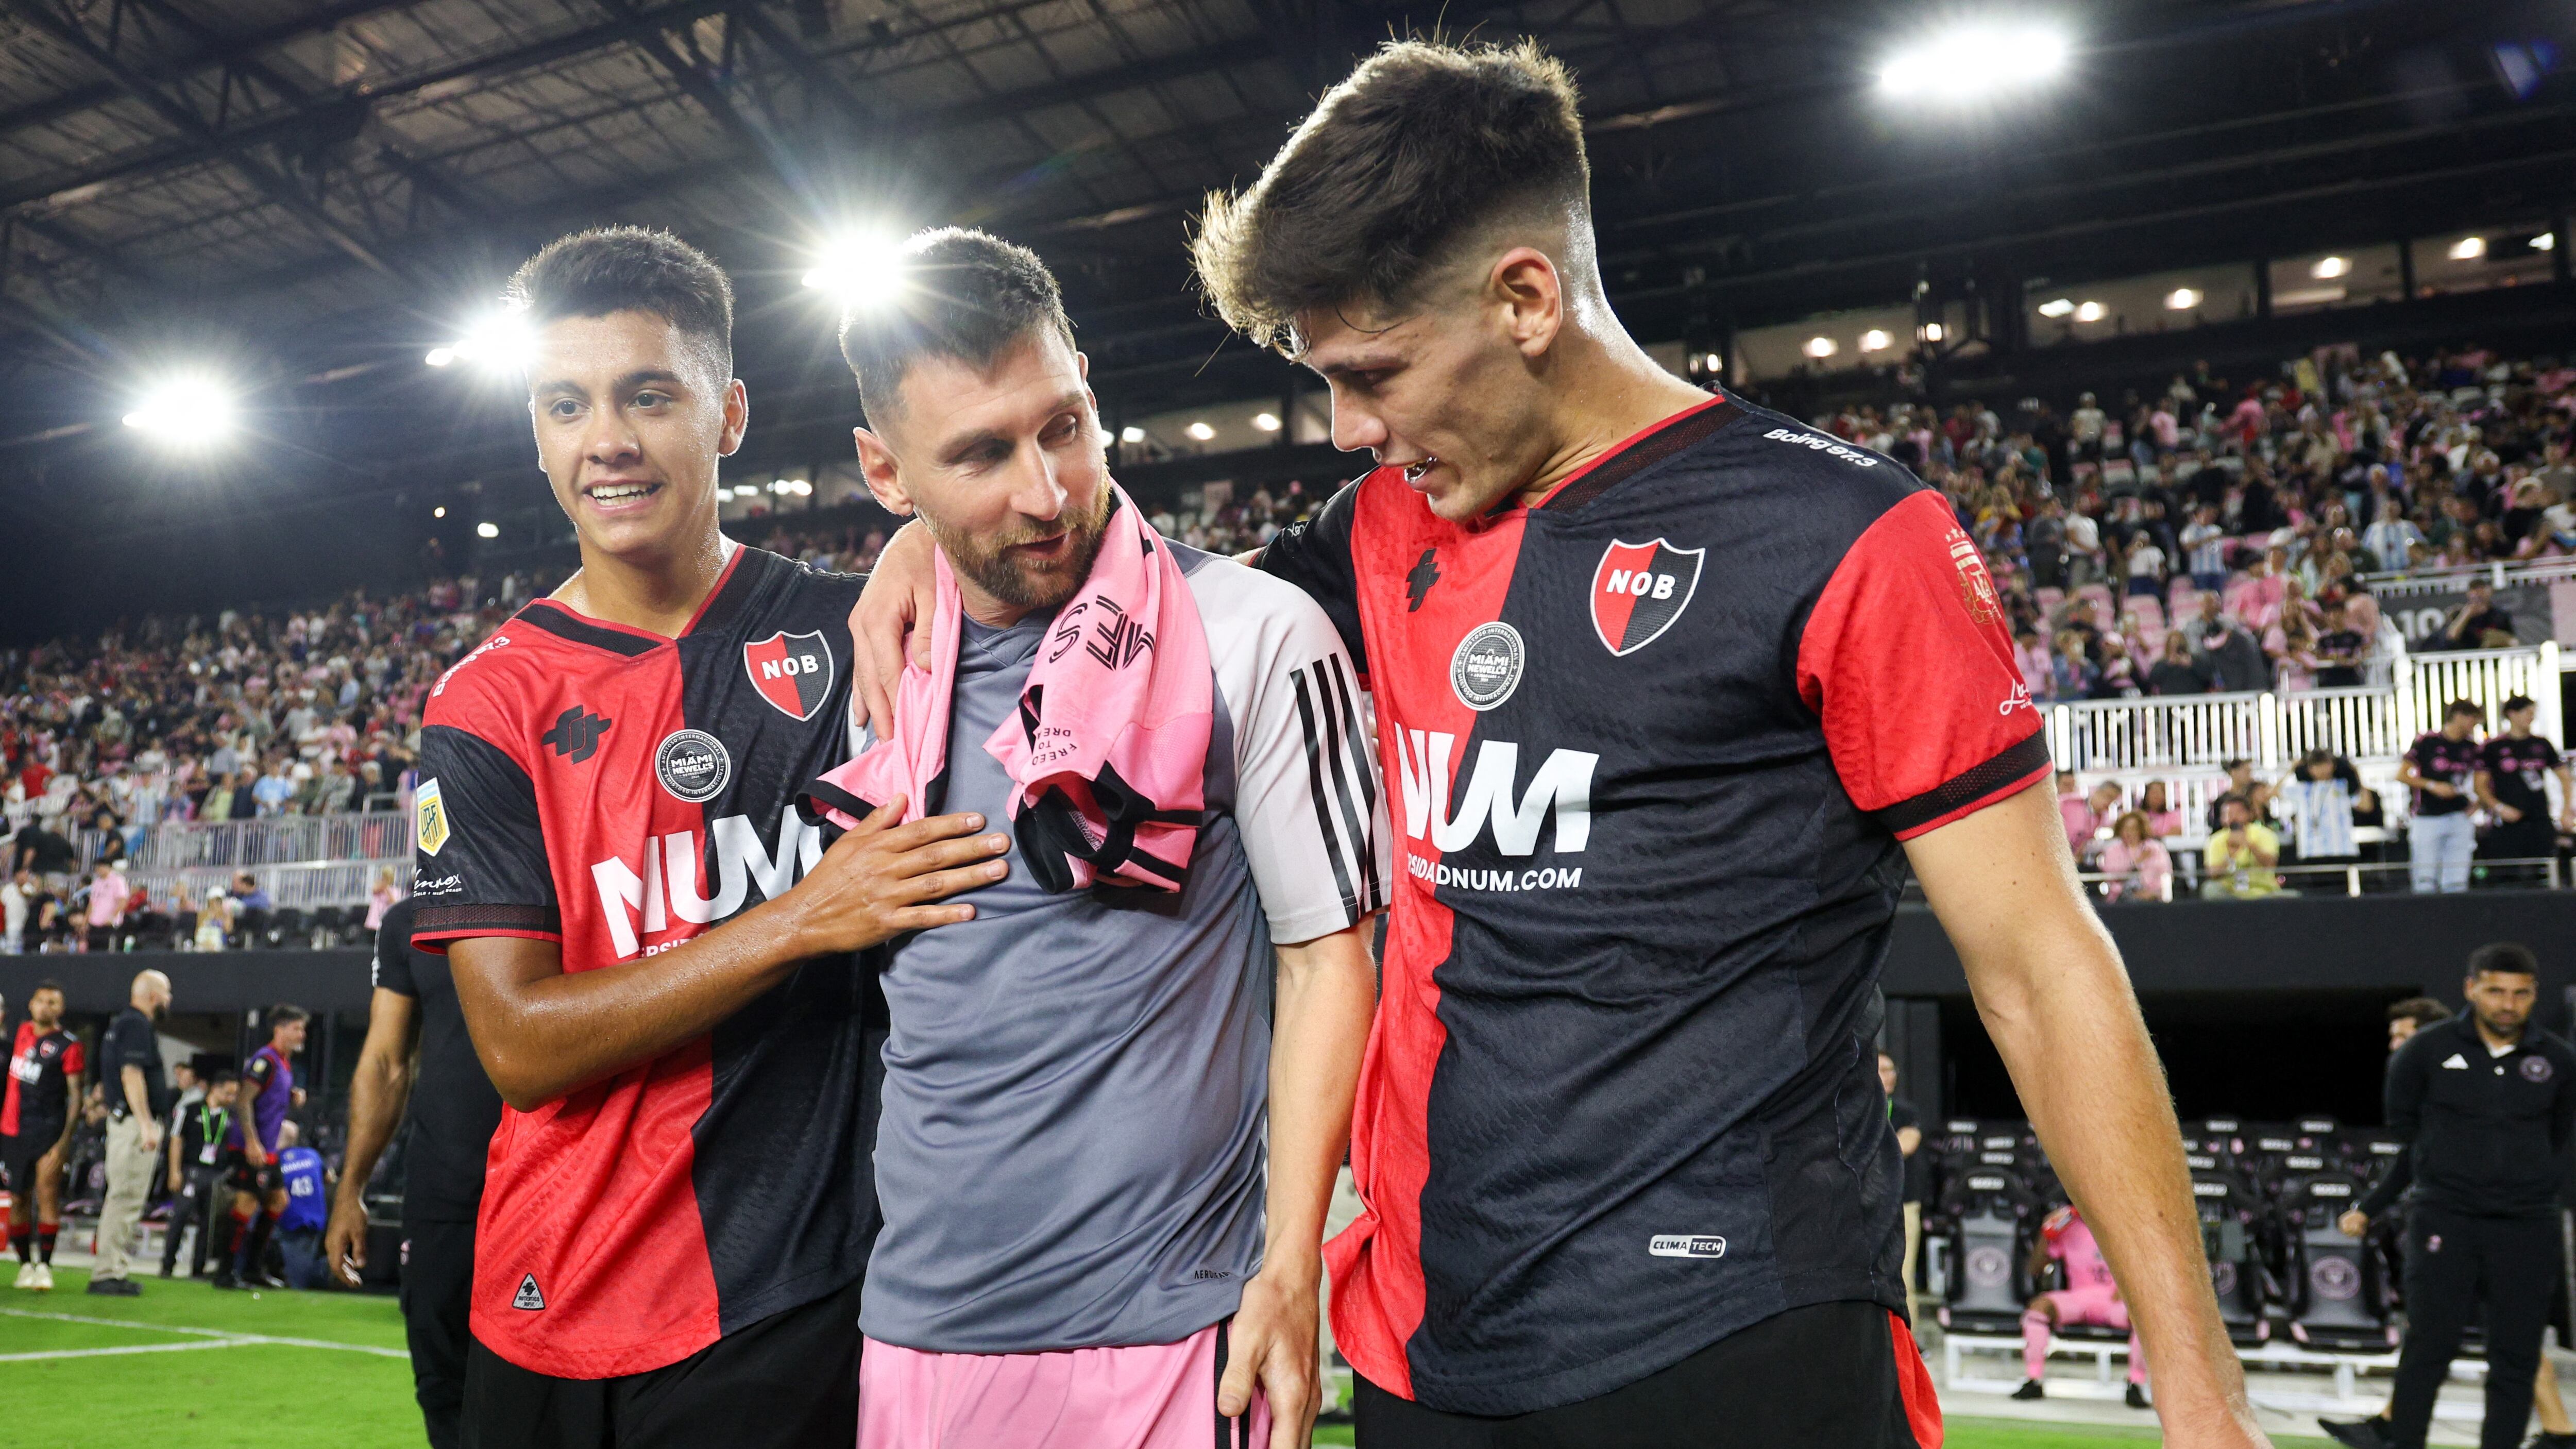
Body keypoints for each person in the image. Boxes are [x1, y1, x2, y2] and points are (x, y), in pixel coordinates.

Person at [859, 38, 2263, 1447]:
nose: (1347, 430)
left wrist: (2201, 1401)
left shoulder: (1847, 542)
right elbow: (1140, 589)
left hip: (1730, 1330)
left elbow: (2037, 969)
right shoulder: (1378, 531)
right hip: (1426, 1344)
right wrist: (919, 540)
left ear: (1525, 295)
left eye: (1375, 372)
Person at [416, 226, 1001, 1449]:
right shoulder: (489, 700)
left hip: (786, 1295)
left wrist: (926, 533)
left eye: (647, 394)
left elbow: (1060, 547)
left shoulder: (855, 635)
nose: (606, 439)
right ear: (537, 434)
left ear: (727, 414)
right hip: (543, 1302)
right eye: (565, 404)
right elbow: (520, 1043)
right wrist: (800, 917)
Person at [820, 228, 1383, 1449]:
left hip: (1181, 1336)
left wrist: (1291, 1266)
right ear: (885, 470)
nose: (1047, 489)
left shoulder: (1253, 637)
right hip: (922, 1338)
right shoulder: (873, 674)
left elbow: (1328, 959)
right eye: (978, 453)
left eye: (1063, 425)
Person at [2324, 944, 2576, 1449]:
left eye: (2520, 993)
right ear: (2470, 988)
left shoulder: (2557, 1060)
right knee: (2427, 1347)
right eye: (2495, 990)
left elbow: (2558, 1135)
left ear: (2533, 995)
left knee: (2516, 1355)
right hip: (2446, 1218)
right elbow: (2406, 1133)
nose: (2507, 1004)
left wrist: (2516, 1177)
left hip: (2526, 1225)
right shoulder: (2425, 1051)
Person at [326, 896, 505, 1449]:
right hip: (441, 1186)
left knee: (548, 1389)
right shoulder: (410, 920)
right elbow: (385, 1061)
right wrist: (350, 1189)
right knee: (441, 1383)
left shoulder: (561, 883)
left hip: (548, 1180)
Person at [2013, 1204, 2150, 1409]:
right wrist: (2046, 1233)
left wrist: (2130, 1286)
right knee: (2039, 1307)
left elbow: (2149, 1265)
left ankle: (2136, 1383)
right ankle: (2033, 1379)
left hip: (2115, 1300)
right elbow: (2035, 1269)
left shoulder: (2128, 1224)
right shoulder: (2068, 1225)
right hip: (2079, 1298)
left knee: (2145, 1316)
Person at [90, 968, 172, 1295]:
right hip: (133, 1124)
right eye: (166, 993)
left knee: (123, 1197)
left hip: (125, 1121)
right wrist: (146, 1123)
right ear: (153, 996)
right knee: (125, 1198)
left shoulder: (122, 1023)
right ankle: (108, 1272)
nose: (169, 1000)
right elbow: (132, 1075)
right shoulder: (137, 1024)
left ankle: (111, 1268)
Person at [212, 1003, 306, 1290]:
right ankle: (225, 1273)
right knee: (247, 1202)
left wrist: (289, 1096)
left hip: (269, 1149)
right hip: (250, 1147)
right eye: (297, 1028)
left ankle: (253, 1268)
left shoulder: (284, 1064)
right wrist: (252, 1141)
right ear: (280, 1030)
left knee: (278, 1201)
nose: (302, 1034)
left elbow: (266, 1099)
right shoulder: (265, 1060)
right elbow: (243, 1100)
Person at [3, 979, 82, 1290]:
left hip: (47, 1132)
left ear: (61, 1008)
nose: (45, 1007)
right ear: (30, 1004)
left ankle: (45, 1267)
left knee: (47, 1195)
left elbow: (75, 1097)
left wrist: (64, 1144)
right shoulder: (20, 1034)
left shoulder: (69, 1045)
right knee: (18, 1198)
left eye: (53, 1002)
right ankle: (24, 1266)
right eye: (40, 1000)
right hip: (12, 1131)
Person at [2475, 694, 2571, 871]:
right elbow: (2480, 785)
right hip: (2506, 822)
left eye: (2533, 713)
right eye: (2527, 712)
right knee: (2508, 872)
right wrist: (2500, 808)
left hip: (2539, 818)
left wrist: (2566, 811)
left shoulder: (2541, 744)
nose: (2531, 717)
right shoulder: (2493, 747)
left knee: (2544, 869)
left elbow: (2564, 777)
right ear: (2512, 714)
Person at [160, 1068, 240, 1280]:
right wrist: (175, 1171)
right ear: (216, 1089)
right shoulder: (191, 1110)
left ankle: (198, 1268)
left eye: (234, 1095)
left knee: (209, 1222)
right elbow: (176, 1140)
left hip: (217, 1174)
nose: (232, 1099)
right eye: (228, 1094)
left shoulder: (231, 1117)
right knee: (180, 1217)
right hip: (191, 1171)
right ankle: (167, 1266)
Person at [2397, 700, 2483, 894]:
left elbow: (2482, 781)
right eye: (2473, 721)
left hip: (2460, 816)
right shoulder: (2427, 741)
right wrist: (2432, 785)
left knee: (2457, 880)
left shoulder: (2472, 748)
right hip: (2427, 817)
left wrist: (2477, 804)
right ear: (2459, 717)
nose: (2474, 726)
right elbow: (2402, 775)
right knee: (2425, 878)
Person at [1879, 1051, 1927, 1323]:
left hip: (1902, 1203)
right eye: (1881, 1070)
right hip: (1863, 1202)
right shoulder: (1853, 1109)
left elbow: (1907, 1144)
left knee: (1903, 1272)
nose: (1889, 1075)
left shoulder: (1905, 1110)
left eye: (1891, 1069)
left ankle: (1909, 1338)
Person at [270, 1121, 330, 1289]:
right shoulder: (312, 1155)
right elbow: (329, 1177)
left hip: (290, 1222)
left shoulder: (276, 1161)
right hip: (315, 1220)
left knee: (297, 1279)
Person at [2200, 795, 2287, 900]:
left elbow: (2270, 864)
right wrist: (2231, 855)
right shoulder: (2216, 840)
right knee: (2210, 889)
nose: (2233, 818)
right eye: (2228, 814)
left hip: (2263, 892)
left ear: (2249, 814)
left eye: (2238, 813)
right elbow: (2213, 874)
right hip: (2230, 892)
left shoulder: (2265, 834)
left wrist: (2249, 845)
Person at [2096, 812, 2173, 902]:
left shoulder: (2155, 848)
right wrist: (2136, 862)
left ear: (2141, 830)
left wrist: (2152, 892)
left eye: (2133, 829)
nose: (2128, 833)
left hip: (2152, 895)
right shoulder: (2112, 850)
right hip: (2121, 897)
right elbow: (2111, 874)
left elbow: (2165, 871)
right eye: (2125, 829)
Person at [2438, 579, 2514, 650]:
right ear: (2468, 594)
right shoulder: (2457, 614)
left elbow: (2512, 640)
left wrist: (2498, 638)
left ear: (2489, 592)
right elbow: (2451, 637)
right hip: (2465, 657)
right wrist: (2466, 615)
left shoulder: (2500, 615)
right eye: (2474, 590)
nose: (2477, 593)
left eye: (2481, 589)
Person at [80, 857, 127, 952]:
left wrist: (112, 917)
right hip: (94, 924)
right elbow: (92, 903)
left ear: (108, 867)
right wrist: (85, 922)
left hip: (108, 924)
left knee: (105, 953)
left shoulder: (118, 881)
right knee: (92, 951)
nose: (98, 870)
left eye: (100, 867)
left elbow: (123, 901)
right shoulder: (97, 882)